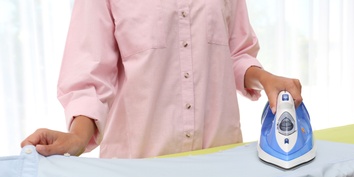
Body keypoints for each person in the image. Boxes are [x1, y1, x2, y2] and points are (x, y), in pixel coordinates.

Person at [21, 0, 302, 159]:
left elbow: (235, 53)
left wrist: (264, 78)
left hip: (219, 164)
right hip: (139, 173)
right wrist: (77, 137)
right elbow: (90, 75)